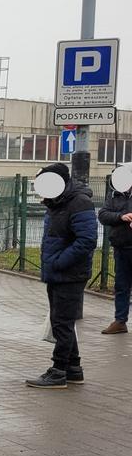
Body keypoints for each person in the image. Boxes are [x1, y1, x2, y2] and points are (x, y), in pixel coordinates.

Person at [27, 163, 96, 389]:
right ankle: (73, 369)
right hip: (58, 272)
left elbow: (86, 240)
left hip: (69, 273)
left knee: (62, 323)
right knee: (62, 322)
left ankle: (58, 372)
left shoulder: (78, 203)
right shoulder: (56, 202)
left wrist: (58, 262)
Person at [97, 166, 132, 334]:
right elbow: (103, 215)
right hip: (121, 246)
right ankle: (120, 321)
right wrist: (120, 217)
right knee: (122, 285)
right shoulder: (114, 195)